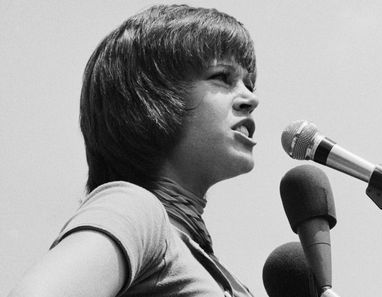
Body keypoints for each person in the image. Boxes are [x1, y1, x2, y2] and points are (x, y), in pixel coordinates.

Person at [8, 4, 259, 297]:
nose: (250, 98)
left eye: (249, 84)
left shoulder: (209, 267)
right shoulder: (135, 209)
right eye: (222, 77)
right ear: (155, 96)